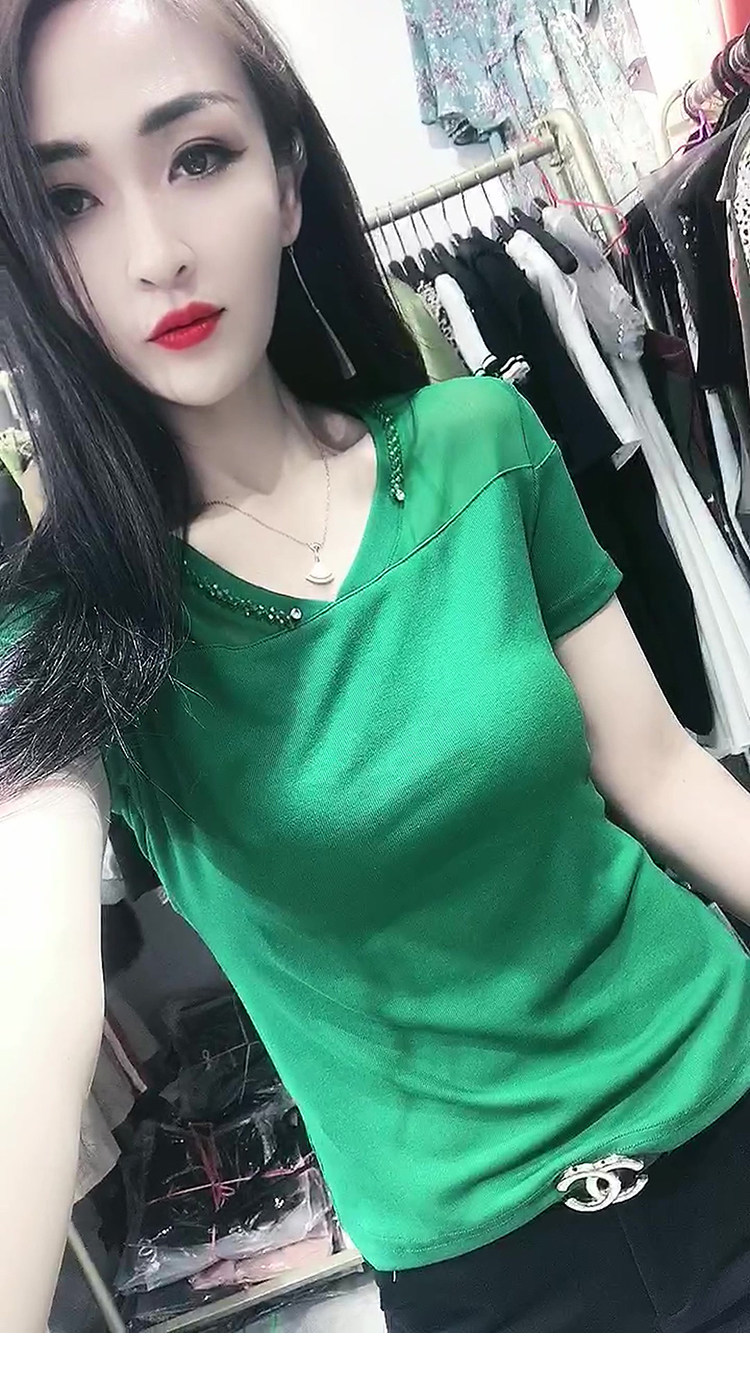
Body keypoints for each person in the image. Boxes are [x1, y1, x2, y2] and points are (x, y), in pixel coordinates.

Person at [2, 0, 750, 1337]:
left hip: (725, 1088)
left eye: (198, 156)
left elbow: (658, 772)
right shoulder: (72, 629)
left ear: (289, 181)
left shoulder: (478, 440)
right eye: (69, 202)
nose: (157, 252)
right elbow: (34, 1003)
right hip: (479, 1273)